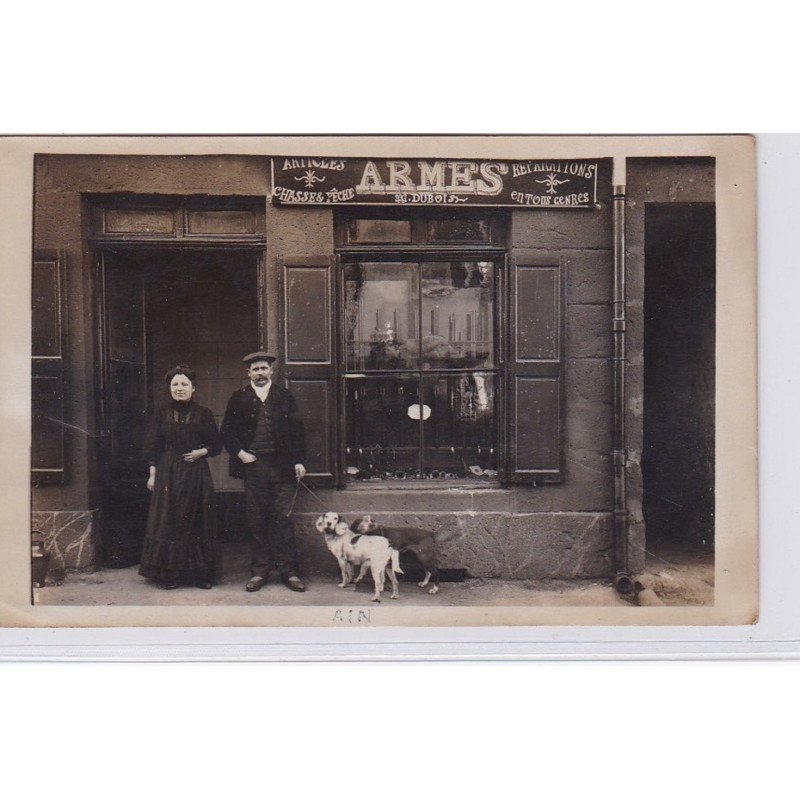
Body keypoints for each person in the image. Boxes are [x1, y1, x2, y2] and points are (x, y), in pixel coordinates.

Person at [220, 352, 307, 592]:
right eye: (255, 369)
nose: (260, 373)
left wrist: (299, 461)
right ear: (248, 373)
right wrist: (240, 453)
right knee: (256, 519)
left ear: (271, 371)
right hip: (254, 467)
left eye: (263, 368)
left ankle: (290, 572)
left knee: (283, 518)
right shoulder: (238, 398)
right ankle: (260, 572)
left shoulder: (284, 397)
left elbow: (298, 431)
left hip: (282, 467)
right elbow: (227, 431)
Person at [139, 366, 222, 590]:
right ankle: (170, 574)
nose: (179, 388)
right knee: (169, 521)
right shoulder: (161, 413)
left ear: (193, 388)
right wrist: (153, 475)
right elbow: (152, 446)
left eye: (184, 384)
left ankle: (199, 575)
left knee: (197, 520)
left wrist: (201, 452)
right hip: (168, 472)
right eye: (175, 384)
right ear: (169, 388)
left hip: (196, 473)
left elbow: (216, 444)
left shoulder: (204, 413)